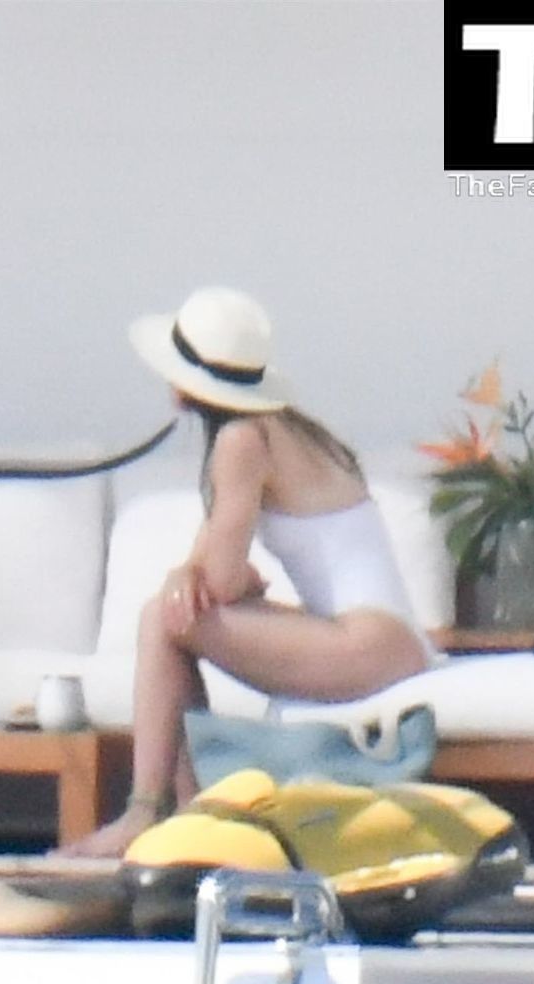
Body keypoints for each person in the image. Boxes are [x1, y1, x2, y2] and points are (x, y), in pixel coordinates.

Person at [65, 286, 434, 857]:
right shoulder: (284, 427)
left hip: (368, 645)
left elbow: (216, 582)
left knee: (163, 619)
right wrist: (197, 574)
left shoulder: (241, 441)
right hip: (382, 639)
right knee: (170, 612)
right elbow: (213, 565)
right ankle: (187, 812)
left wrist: (212, 581)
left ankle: (149, 812)